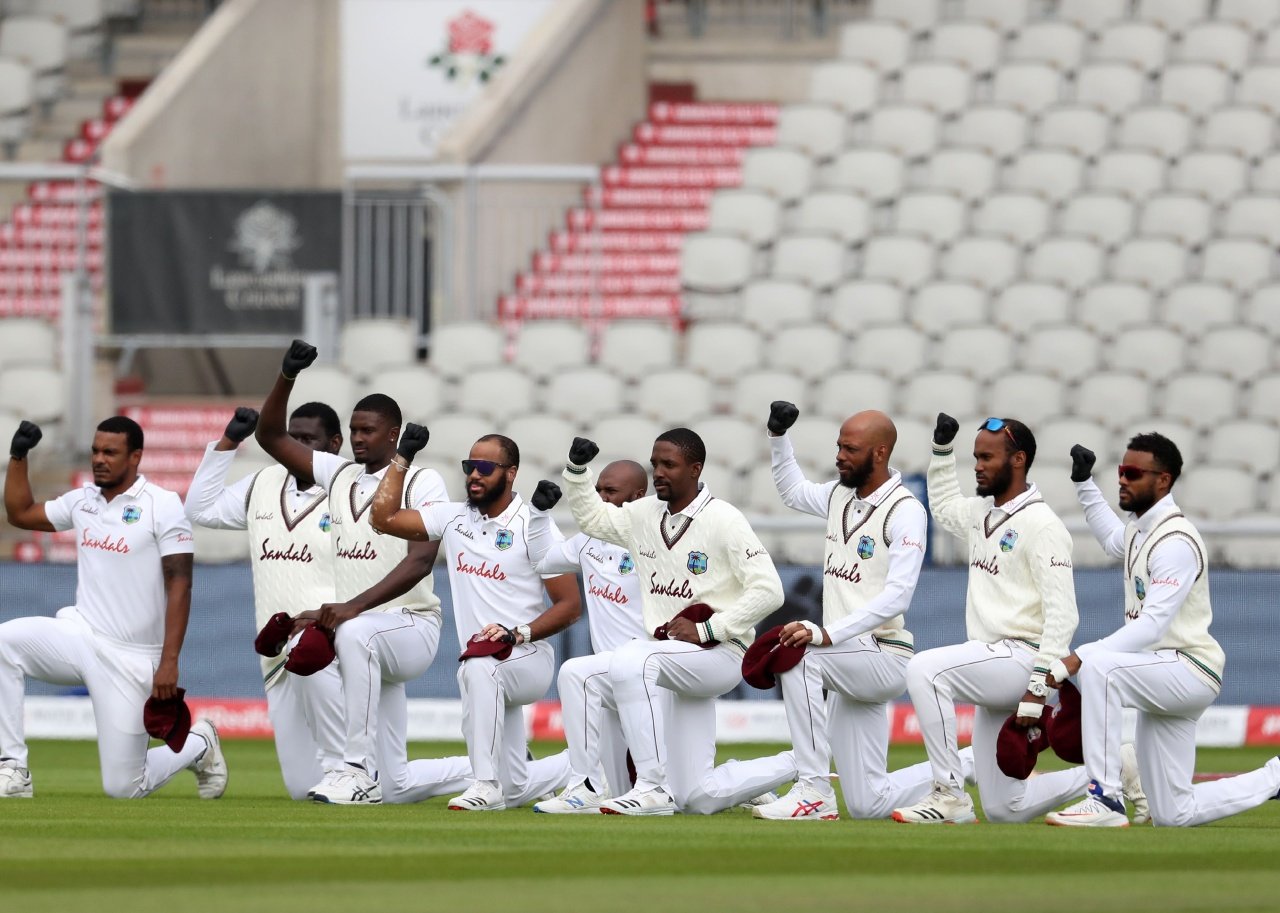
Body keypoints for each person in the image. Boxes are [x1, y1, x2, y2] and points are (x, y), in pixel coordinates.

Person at [254, 341, 470, 805]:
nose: (357, 438)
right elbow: (269, 436)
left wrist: (351, 608)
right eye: (353, 430)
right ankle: (510, 768)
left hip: (412, 627)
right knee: (396, 785)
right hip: (365, 636)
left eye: (367, 430)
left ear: (393, 434)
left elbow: (420, 560)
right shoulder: (338, 474)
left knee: (349, 635)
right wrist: (286, 376)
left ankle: (351, 769)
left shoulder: (422, 480)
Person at [557, 428, 797, 816]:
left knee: (633, 658)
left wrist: (707, 629)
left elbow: (770, 591)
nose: (658, 473)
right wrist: (577, 472)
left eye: (669, 464)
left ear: (695, 469)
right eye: (655, 464)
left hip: (721, 653)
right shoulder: (642, 514)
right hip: (672, 658)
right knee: (698, 797)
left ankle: (651, 787)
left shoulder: (724, 519)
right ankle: (799, 762)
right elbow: (592, 520)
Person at [1044, 435, 1280, 827]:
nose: (1123, 479)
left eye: (1133, 473)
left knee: (1100, 667)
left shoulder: (1175, 541)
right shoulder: (1141, 530)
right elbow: (1112, 540)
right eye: (1121, 471)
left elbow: (1153, 625)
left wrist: (1080, 656)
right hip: (1162, 672)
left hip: (1189, 668)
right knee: (1175, 813)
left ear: (1163, 480)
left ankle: (1105, 797)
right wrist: (1084, 484)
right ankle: (1275, 777)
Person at [757, 403, 974, 820]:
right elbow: (792, 492)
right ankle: (971, 762)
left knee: (797, 657)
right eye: (839, 446)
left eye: (850, 449)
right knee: (867, 803)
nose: (839, 456)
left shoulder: (906, 510)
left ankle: (813, 791)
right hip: (847, 659)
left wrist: (827, 633)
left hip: (883, 655)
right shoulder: (839, 495)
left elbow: (898, 598)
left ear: (879, 452)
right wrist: (778, 437)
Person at [0, 416, 226, 799]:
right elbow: (20, 513)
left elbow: (180, 583)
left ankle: (199, 743)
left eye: (110, 452)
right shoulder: (83, 500)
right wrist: (19, 455)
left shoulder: (162, 505)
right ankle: (12, 768)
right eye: (95, 451)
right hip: (80, 636)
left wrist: (169, 663)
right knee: (4, 641)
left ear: (135, 456)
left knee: (124, 787)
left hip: (132, 659)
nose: (99, 459)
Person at [891, 414, 1089, 824]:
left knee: (925, 670)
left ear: (1018, 459)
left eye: (987, 458)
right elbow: (943, 509)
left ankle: (949, 795)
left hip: (1024, 659)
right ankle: (1115, 769)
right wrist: (942, 452)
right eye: (975, 457)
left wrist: (1038, 687)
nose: (978, 466)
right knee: (1005, 808)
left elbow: (1063, 613)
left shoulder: (1043, 525)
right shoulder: (983, 511)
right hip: (993, 660)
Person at [369, 425, 577, 811]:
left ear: (511, 473)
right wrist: (402, 459)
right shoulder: (452, 517)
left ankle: (485, 785)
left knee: (479, 667)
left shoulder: (534, 524)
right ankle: (581, 765)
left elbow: (569, 605)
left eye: (485, 467)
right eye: (469, 466)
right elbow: (383, 518)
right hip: (485, 660)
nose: (474, 475)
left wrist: (516, 634)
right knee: (517, 786)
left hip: (528, 656)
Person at [183, 403, 345, 800]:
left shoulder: (350, 489)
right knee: (303, 789)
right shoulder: (262, 483)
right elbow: (199, 509)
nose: (298, 447)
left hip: (332, 649)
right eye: (293, 438)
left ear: (334, 444)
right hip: (276, 653)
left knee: (359, 777)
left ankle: (478, 773)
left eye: (309, 440)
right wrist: (229, 441)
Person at [524, 460, 650, 813]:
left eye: (611, 491)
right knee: (620, 794)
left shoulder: (653, 539)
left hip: (648, 672)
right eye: (597, 490)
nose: (600, 497)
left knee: (687, 790)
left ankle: (584, 784)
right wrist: (538, 515)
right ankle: (586, 787)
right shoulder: (589, 540)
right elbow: (542, 562)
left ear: (638, 496)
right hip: (606, 674)